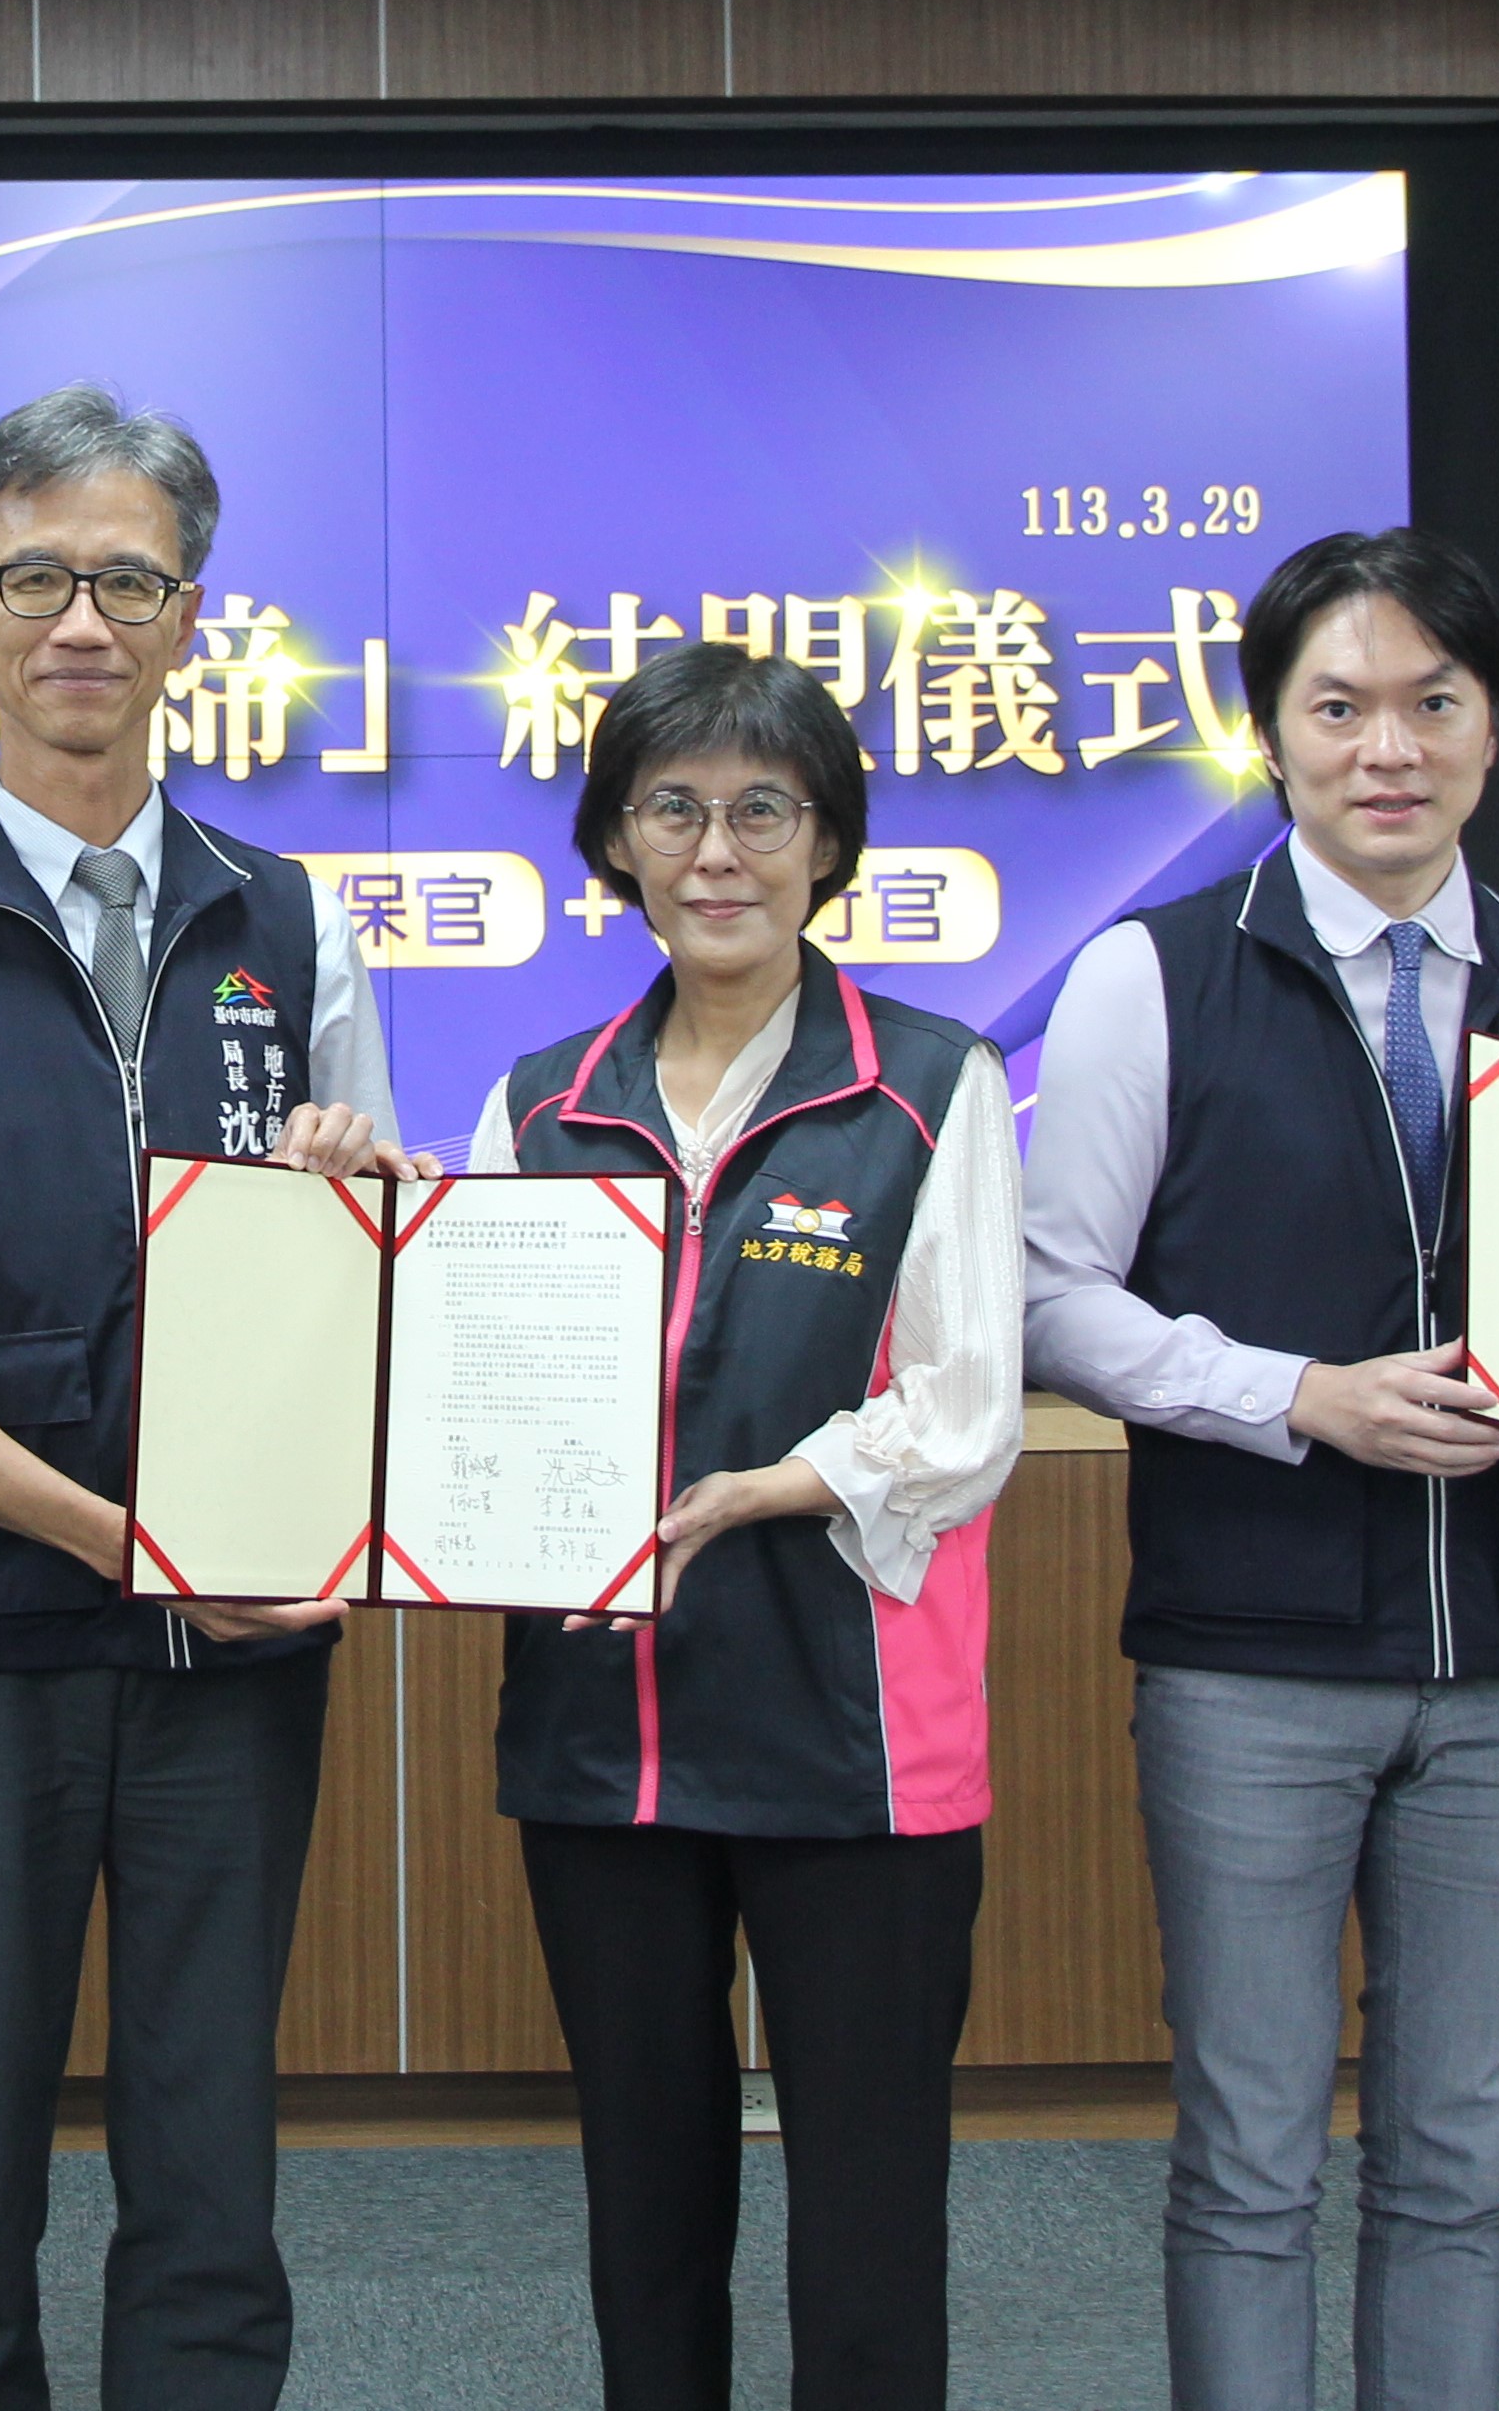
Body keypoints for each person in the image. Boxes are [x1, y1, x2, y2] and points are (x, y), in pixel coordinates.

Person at [0, 383, 413, 2411]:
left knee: (212, 2141)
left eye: (129, 579)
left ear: (193, 615)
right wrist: (118, 1537)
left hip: (240, 1638)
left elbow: (360, 1274)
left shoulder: (291, 921)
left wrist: (360, 1206)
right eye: (36, 580)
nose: (84, 622)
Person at [1018, 526, 1499, 2411]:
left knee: (1458, 2164)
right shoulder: (1153, 975)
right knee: (1247, 2161)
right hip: (1251, 1655)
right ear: (1271, 737)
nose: (1386, 748)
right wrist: (1298, 1395)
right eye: (1337, 708)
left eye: (1430, 704)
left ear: (1493, 729)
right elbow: (1049, 1299)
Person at [473, 644, 1022, 2411]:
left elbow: (966, 1410)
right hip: (602, 1736)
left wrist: (772, 1487)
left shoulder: (927, 1085)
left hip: (851, 1743)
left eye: (763, 812)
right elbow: (482, 1384)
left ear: (826, 842)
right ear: (614, 843)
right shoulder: (539, 1103)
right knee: (643, 2216)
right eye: (673, 810)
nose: (716, 853)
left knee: (866, 2223)